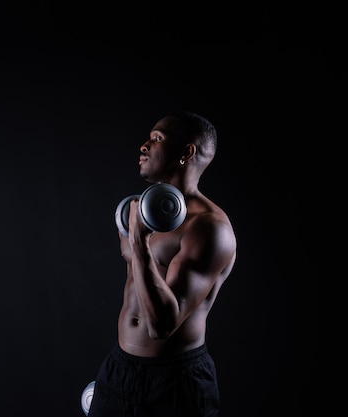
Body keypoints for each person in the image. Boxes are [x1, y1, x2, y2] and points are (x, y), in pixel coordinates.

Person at [87, 111, 237, 417]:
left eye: (157, 139)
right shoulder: (142, 213)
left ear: (187, 152)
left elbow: (161, 325)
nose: (144, 146)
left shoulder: (210, 228)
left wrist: (138, 243)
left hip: (175, 383)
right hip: (120, 369)